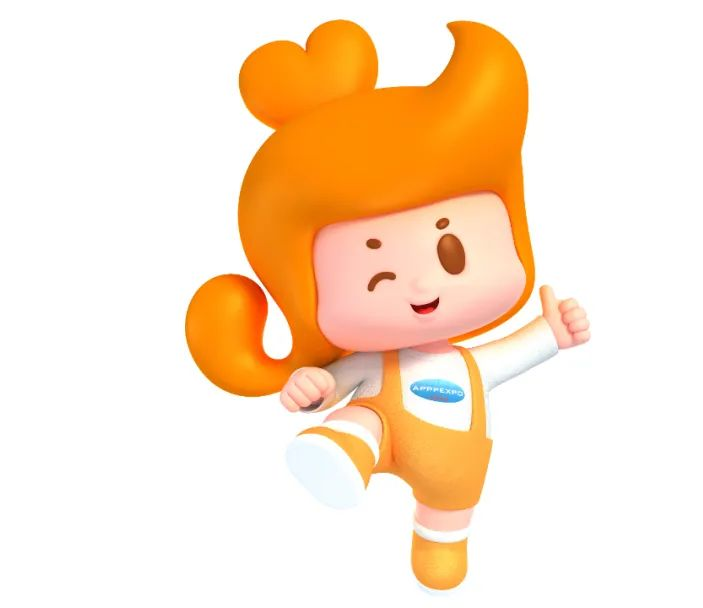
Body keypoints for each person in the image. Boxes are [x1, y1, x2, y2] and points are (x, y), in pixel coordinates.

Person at [186, 19, 589, 593]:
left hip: (456, 465)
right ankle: (344, 450)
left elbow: (512, 354)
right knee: (365, 418)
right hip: (379, 431)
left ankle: (441, 540)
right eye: (378, 274)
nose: (421, 285)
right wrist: (311, 387)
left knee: (452, 506)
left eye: (451, 252)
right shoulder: (372, 362)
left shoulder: (471, 366)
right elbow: (331, 384)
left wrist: (553, 332)